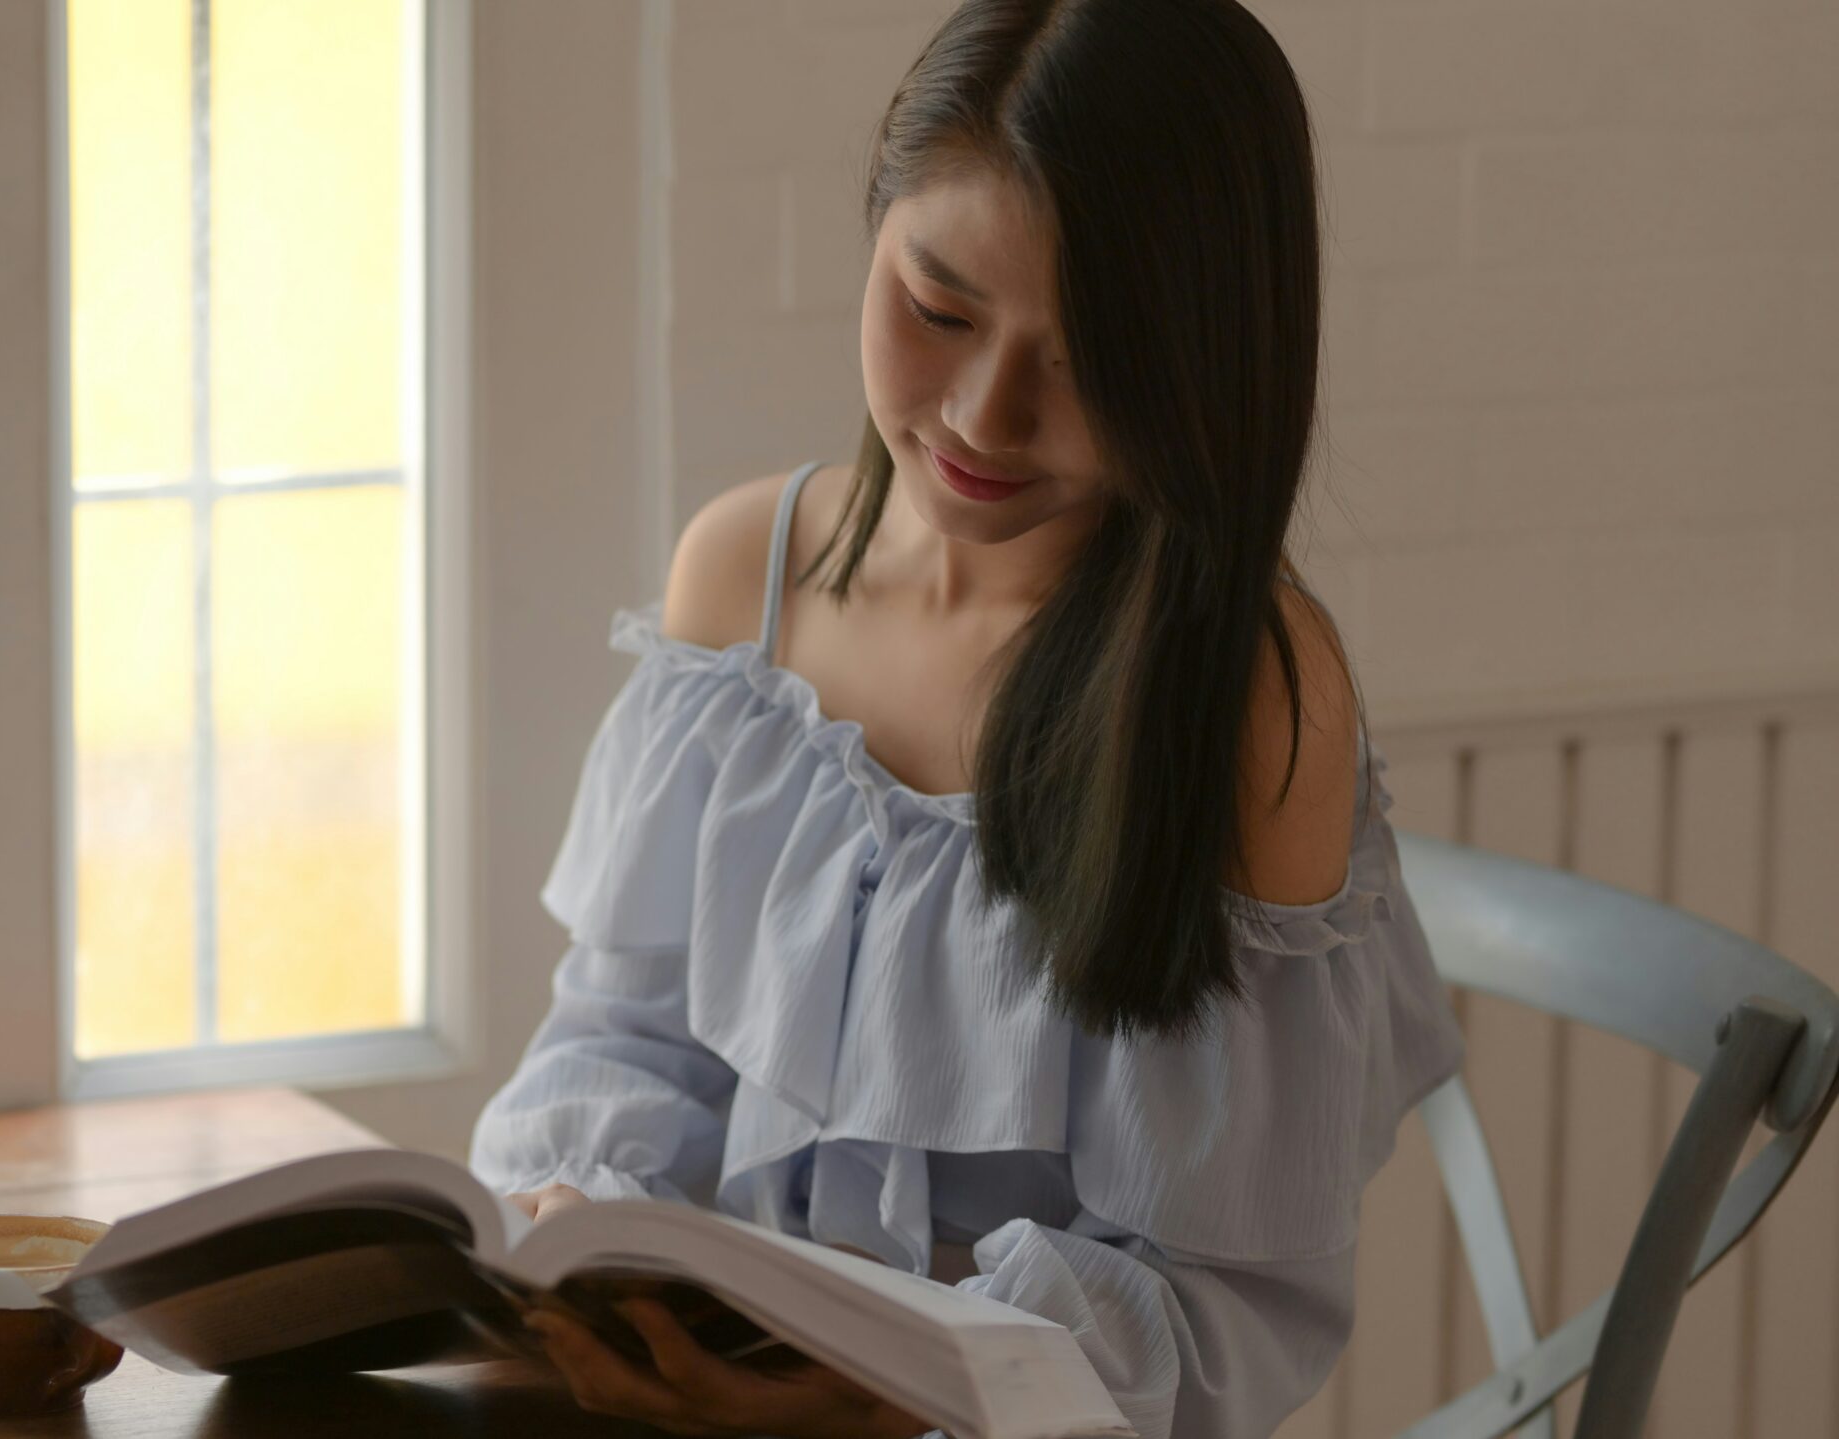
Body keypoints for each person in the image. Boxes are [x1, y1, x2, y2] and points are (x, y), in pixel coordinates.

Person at [467, 1, 1467, 1436]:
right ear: (872, 228)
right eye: (938, 310)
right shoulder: (743, 589)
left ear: (1208, 359)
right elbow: (626, 1043)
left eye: (1090, 360)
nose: (986, 417)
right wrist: (575, 1227)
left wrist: (877, 1398)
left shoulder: (1246, 699)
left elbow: (1225, 1305)